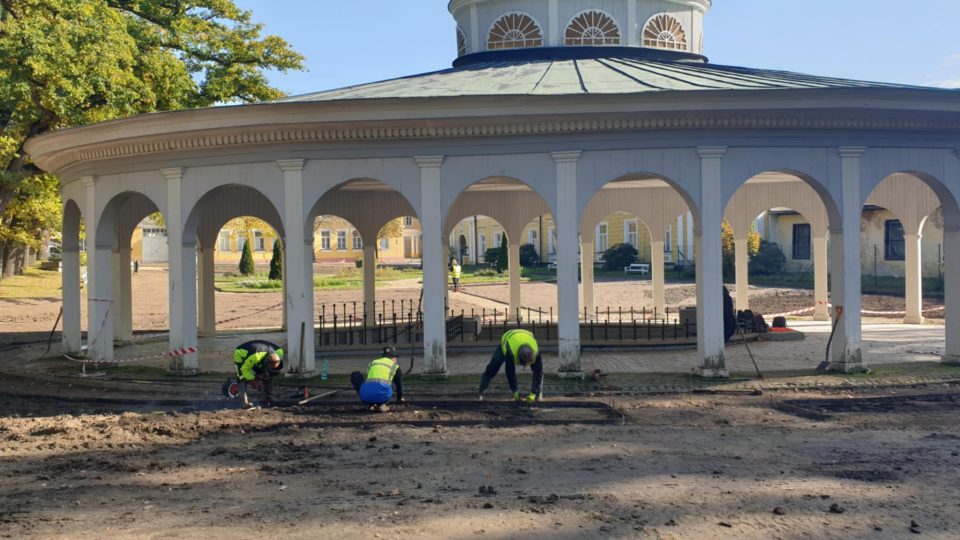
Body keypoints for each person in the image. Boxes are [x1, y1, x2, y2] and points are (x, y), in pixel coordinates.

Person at [478, 329, 543, 403]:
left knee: (537, 370)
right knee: (492, 369)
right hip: (508, 340)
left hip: (525, 336)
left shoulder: (536, 351)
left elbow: (539, 373)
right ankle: (481, 392)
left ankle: (536, 394)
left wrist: (533, 393)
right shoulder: (511, 352)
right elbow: (510, 372)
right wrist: (515, 391)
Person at [233, 340, 284, 409]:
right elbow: (244, 369)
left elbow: (271, 369)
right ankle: (244, 403)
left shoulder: (279, 352)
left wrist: (264, 375)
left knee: (268, 374)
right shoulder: (256, 356)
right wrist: (253, 380)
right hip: (241, 354)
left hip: (259, 355)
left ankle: (268, 398)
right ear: (266, 361)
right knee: (242, 376)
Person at [351, 345, 405, 411]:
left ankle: (369, 404)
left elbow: (369, 378)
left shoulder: (373, 362)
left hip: (366, 397)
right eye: (396, 357)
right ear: (393, 357)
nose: (396, 360)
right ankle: (382, 404)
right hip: (383, 397)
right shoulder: (395, 366)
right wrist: (400, 399)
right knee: (393, 380)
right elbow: (399, 385)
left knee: (355, 374)